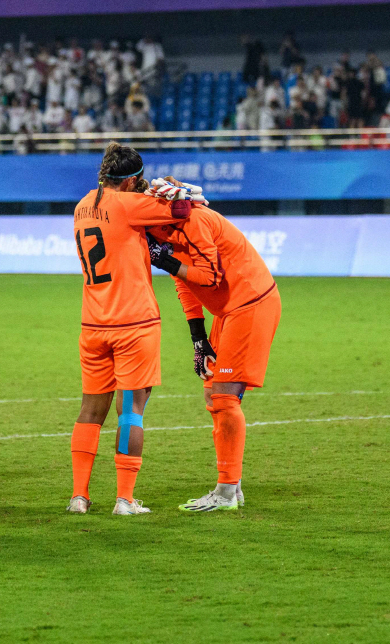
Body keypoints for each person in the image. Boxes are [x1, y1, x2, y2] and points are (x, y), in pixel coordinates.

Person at [68, 142, 192, 516]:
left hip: (93, 323)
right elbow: (182, 209)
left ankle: (79, 496)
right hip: (134, 322)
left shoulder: (81, 205)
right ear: (134, 180)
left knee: (90, 410)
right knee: (131, 411)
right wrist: (170, 188)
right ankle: (124, 499)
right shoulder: (130, 203)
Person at [143, 180, 281, 512]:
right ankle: (231, 485)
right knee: (212, 394)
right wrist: (198, 338)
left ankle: (227, 491)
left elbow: (208, 277)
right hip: (228, 310)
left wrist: (167, 261)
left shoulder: (195, 221)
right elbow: (184, 282)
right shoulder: (163, 228)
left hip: (249, 304)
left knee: (224, 396)